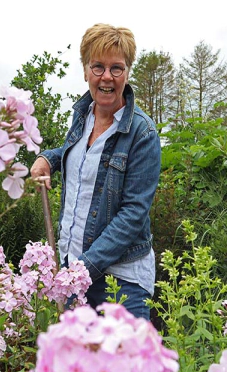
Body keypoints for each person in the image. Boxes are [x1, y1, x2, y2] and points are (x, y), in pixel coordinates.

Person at [30, 23, 161, 320]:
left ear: (127, 72)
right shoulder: (82, 115)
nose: (106, 77)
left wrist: (82, 269)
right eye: (97, 66)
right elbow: (76, 153)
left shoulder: (142, 133)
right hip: (73, 269)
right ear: (86, 70)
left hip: (121, 281)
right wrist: (48, 159)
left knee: (126, 364)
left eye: (116, 68)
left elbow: (133, 215)